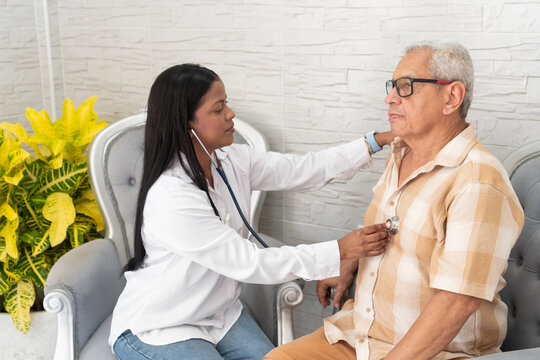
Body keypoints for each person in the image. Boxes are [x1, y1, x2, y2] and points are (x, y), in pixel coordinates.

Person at [108, 64, 395, 360]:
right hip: (163, 325)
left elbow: (306, 169)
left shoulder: (231, 160)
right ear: (186, 124)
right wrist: (340, 250)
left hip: (221, 317)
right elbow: (248, 263)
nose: (231, 114)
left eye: (226, 104)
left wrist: (375, 141)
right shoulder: (172, 198)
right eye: (218, 109)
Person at [264, 42, 525, 360]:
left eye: (406, 87)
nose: (390, 98)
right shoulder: (401, 153)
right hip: (358, 336)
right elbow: (382, 225)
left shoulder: (478, 180)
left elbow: (457, 301)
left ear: (451, 97)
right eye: (392, 87)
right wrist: (349, 260)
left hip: (433, 352)